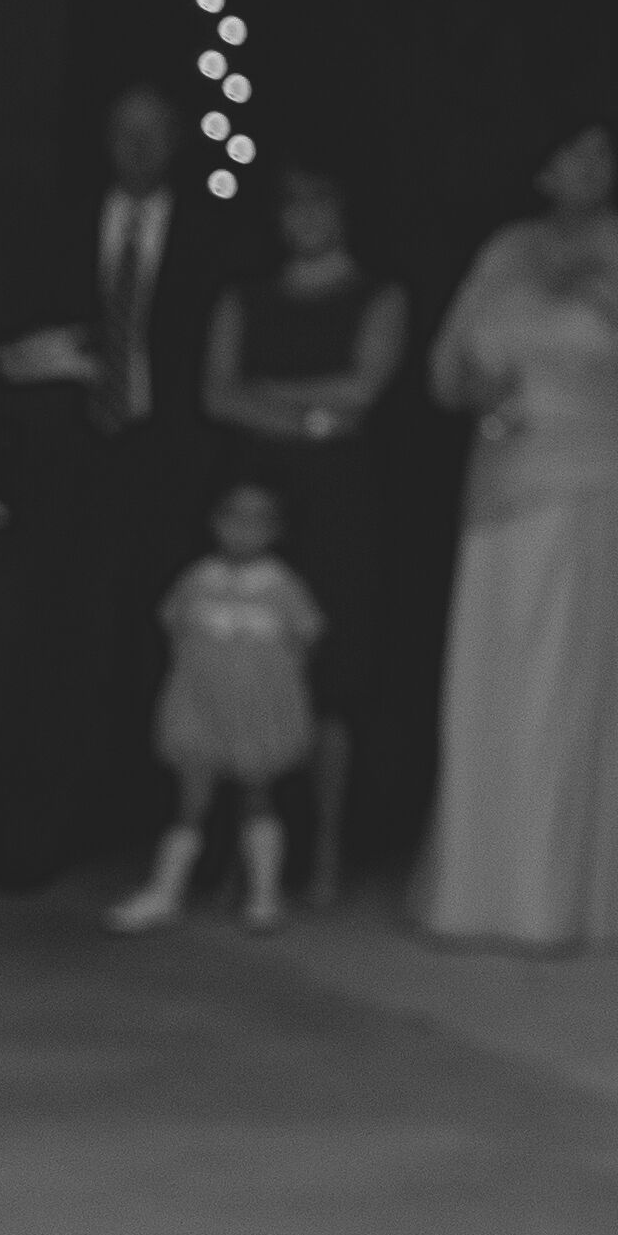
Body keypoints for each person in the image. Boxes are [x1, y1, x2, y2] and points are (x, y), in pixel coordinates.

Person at [413, 121, 618, 951]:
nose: (591, 170)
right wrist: (481, 389)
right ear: (541, 169)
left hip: (594, 480)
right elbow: (448, 364)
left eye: (604, 155)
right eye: (574, 156)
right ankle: (482, 887)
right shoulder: (506, 251)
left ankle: (565, 890)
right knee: (496, 670)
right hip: (505, 475)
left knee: (564, 676)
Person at [0, 83, 225, 892]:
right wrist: (49, 359)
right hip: (72, 464)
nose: (139, 150)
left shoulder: (213, 235)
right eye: (125, 133)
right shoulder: (57, 227)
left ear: (178, 142)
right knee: (58, 645)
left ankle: (172, 837)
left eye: (154, 135)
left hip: (166, 464)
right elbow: (2, 343)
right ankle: (37, 833)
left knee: (165, 643)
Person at [203, 161, 406, 904]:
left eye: (320, 202)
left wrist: (270, 395)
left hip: (341, 502)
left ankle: (322, 848)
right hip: (258, 497)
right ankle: (241, 851)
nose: (306, 217)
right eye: (294, 206)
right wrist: (307, 415)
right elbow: (217, 392)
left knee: (331, 674)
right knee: (245, 664)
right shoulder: (245, 296)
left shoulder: (377, 296)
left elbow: (360, 393)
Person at [109, 478, 327, 935]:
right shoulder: (196, 580)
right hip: (201, 710)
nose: (243, 531)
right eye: (234, 518)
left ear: (276, 530)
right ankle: (165, 890)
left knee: (257, 796)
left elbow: (306, 638)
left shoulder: (282, 585)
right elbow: (174, 630)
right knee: (190, 800)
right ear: (215, 523)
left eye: (258, 521)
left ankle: (264, 895)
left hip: (257, 713)